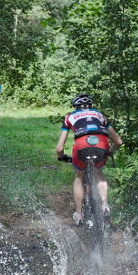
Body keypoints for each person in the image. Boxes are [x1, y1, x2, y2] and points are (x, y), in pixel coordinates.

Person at [55, 93, 123, 225]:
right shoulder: (99, 115)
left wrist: (62, 157)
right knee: (98, 173)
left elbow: (59, 148)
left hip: (81, 145)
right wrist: (109, 152)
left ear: (75, 106)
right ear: (90, 106)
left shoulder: (69, 117)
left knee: (79, 176)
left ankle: (79, 214)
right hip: (101, 143)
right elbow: (118, 141)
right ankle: (104, 205)